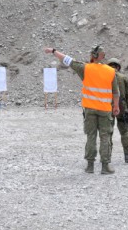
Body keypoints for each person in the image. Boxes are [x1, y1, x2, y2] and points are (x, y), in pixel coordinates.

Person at [44, 45, 120, 174]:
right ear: (103, 56)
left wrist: (54, 51)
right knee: (105, 137)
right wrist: (116, 106)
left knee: (91, 136)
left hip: (90, 109)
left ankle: (90, 166)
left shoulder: (85, 68)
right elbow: (116, 93)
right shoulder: (110, 71)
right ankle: (105, 166)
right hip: (105, 110)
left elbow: (67, 60)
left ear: (93, 56)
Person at [106, 58, 128, 165]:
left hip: (107, 108)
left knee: (107, 133)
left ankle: (107, 157)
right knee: (125, 133)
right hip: (121, 107)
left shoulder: (104, 77)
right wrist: (127, 109)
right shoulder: (123, 78)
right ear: (118, 67)